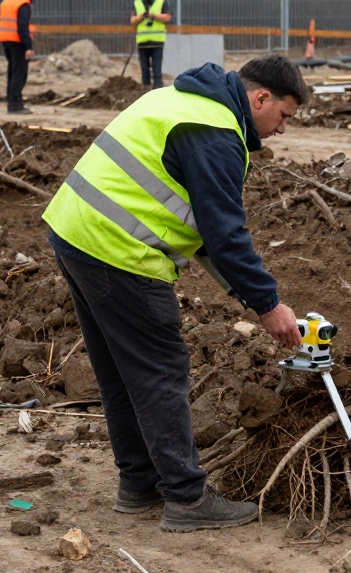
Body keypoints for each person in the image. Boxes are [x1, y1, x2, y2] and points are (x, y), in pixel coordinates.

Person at [41, 55, 310, 532]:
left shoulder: (186, 101)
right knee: (161, 372)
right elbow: (225, 234)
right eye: (284, 116)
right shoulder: (216, 133)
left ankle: (139, 483)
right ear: (261, 98)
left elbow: (203, 231)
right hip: (117, 249)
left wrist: (252, 297)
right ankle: (187, 498)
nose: (283, 130)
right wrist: (268, 305)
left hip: (76, 231)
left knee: (122, 372)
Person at [0, 0, 39, 115]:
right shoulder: (23, 4)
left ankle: (12, 101)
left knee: (12, 72)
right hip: (17, 41)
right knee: (19, 74)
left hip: (5, 39)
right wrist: (28, 47)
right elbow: (23, 26)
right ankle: (16, 104)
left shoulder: (8, 0)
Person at [130, 0, 172, 87]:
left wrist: (153, 16)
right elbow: (133, 20)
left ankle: (157, 87)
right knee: (144, 68)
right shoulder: (137, 3)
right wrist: (141, 17)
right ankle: (145, 88)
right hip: (143, 42)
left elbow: (167, 17)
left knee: (157, 68)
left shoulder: (161, 1)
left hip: (157, 41)